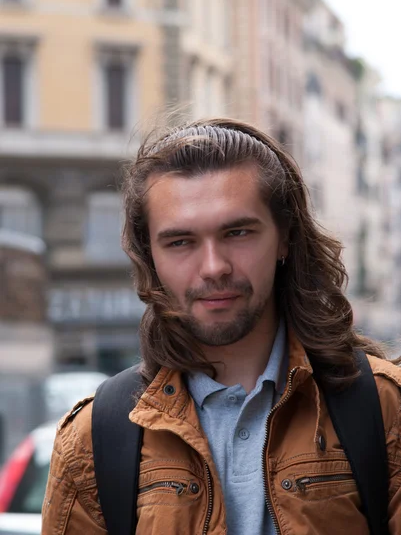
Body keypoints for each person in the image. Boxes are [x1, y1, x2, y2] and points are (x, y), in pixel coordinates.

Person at [42, 118, 401, 534]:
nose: (214, 267)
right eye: (180, 242)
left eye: (237, 232)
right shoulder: (92, 440)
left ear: (284, 237)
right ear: (149, 256)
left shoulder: (385, 408)